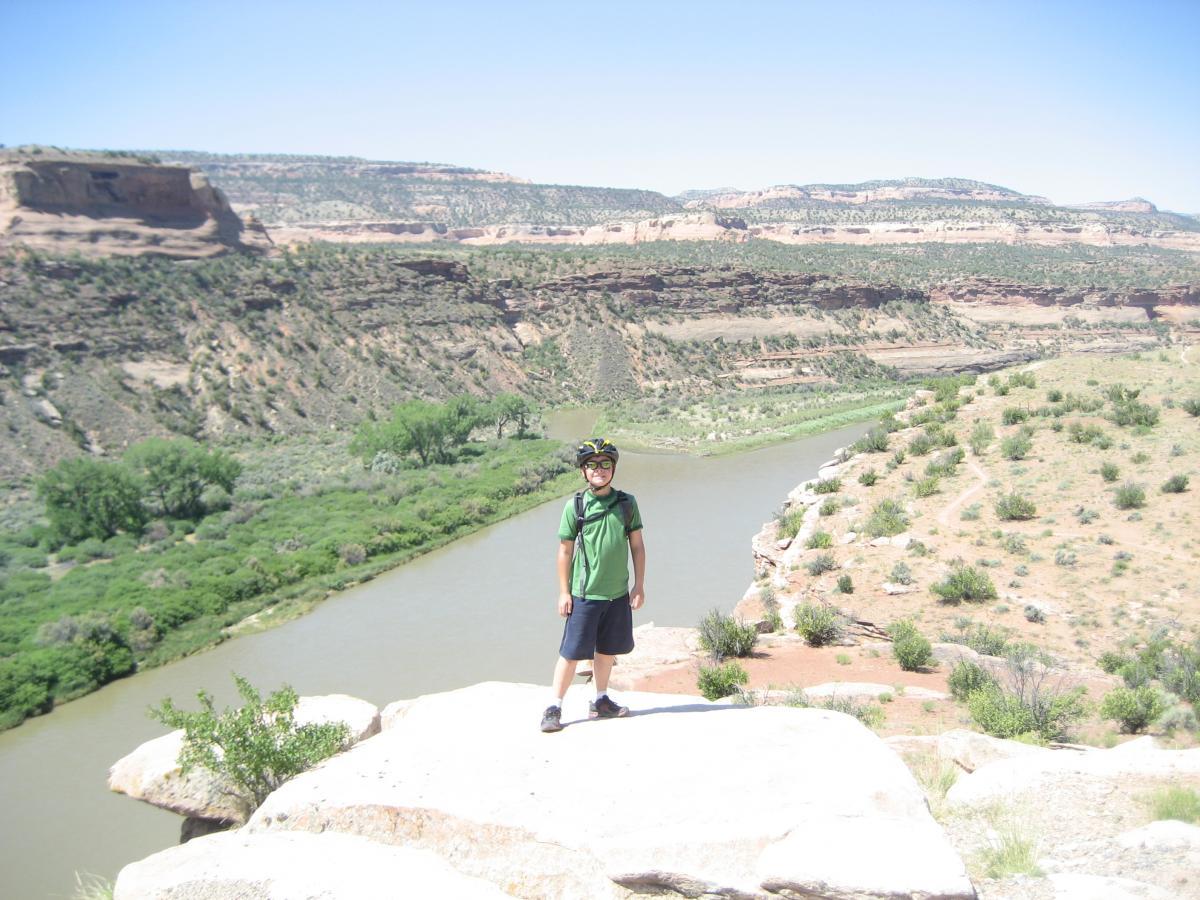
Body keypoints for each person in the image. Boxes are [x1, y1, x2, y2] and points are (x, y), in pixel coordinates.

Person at [540, 438, 645, 733]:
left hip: (617, 593)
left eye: (605, 464)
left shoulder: (627, 504)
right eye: (592, 465)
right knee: (572, 652)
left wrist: (639, 586)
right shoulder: (575, 507)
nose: (599, 469)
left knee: (607, 651)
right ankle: (554, 707)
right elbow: (564, 551)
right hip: (584, 594)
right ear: (583, 471)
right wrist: (564, 591)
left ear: (613, 468)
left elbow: (637, 546)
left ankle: (600, 701)